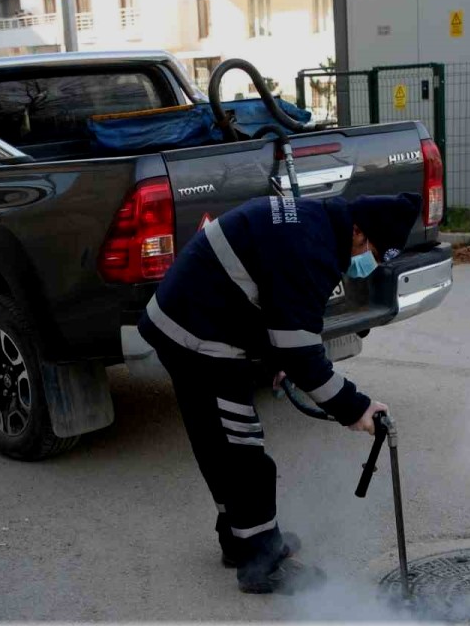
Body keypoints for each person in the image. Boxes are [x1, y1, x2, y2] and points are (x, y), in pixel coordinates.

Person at [137, 191, 423, 595]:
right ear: (358, 231)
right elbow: (303, 355)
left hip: (195, 318)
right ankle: (261, 561)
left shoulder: (315, 228)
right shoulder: (312, 248)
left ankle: (241, 538)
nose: (367, 263)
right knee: (240, 447)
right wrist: (356, 408)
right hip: (197, 332)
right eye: (371, 252)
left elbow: (278, 308)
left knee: (220, 442)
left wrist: (280, 357)